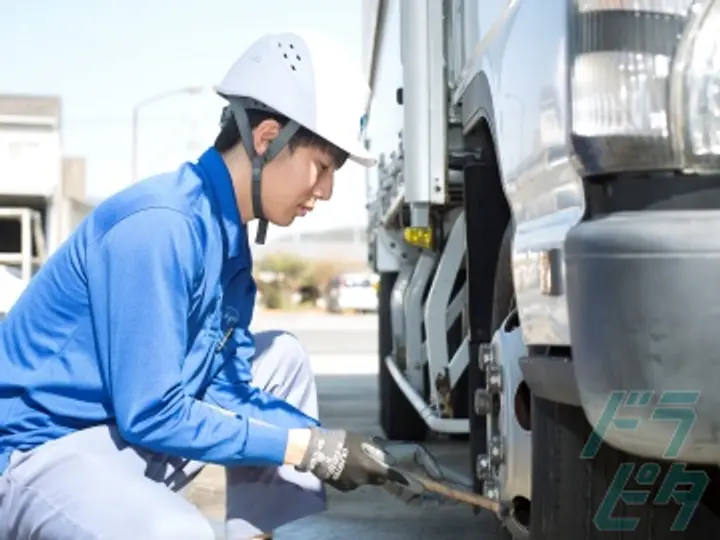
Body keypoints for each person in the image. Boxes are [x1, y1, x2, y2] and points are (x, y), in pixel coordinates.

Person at [0, 31, 392, 540]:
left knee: (282, 360)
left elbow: (227, 389)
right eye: (321, 166)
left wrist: (339, 445)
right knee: (176, 533)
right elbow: (154, 413)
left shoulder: (226, 244)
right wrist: (303, 449)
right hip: (42, 450)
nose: (327, 190)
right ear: (267, 138)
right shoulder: (161, 225)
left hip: (119, 433)